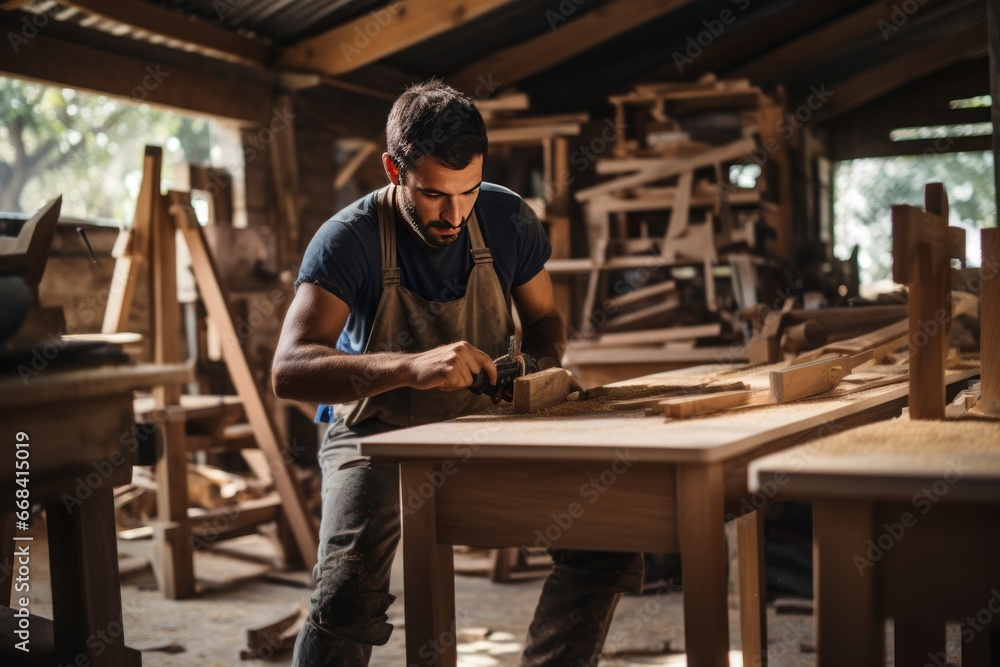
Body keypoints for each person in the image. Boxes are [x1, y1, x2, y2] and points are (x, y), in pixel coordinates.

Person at [272, 79, 643, 666]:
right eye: (433, 195)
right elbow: (290, 370)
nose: (454, 213)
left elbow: (545, 318)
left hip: (485, 420)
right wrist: (411, 367)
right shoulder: (348, 239)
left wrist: (538, 371)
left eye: (467, 191)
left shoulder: (505, 217)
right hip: (377, 433)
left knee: (605, 540)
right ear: (394, 170)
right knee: (347, 593)